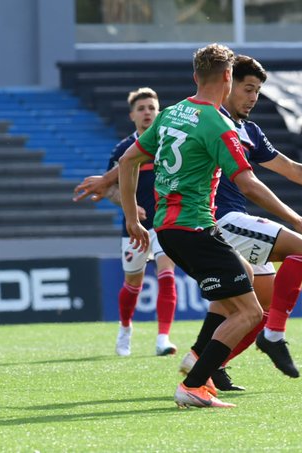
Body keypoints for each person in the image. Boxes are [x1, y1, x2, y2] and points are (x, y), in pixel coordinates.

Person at [117, 43, 302, 409]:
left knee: (243, 290)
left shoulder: (172, 113)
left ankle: (201, 361)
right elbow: (248, 184)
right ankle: (194, 383)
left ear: (196, 76)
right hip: (195, 228)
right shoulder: (218, 123)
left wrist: (132, 217)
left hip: (168, 230)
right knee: (251, 313)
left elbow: (129, 159)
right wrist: (293, 218)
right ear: (228, 78)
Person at [178, 55, 302, 391]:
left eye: (257, 91)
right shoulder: (211, 121)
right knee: (300, 248)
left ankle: (207, 363)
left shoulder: (249, 131)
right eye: (247, 88)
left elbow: (291, 168)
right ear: (227, 84)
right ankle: (274, 336)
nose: (253, 97)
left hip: (229, 222)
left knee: (260, 302)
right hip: (219, 220)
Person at [101, 87, 178, 357]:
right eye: (142, 108)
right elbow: (108, 189)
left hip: (165, 221)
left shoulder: (169, 143)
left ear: (158, 113)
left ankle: (163, 338)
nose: (147, 113)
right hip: (134, 226)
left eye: (152, 108)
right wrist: (130, 206)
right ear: (132, 115)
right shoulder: (124, 149)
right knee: (133, 284)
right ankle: (125, 329)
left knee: (167, 273)